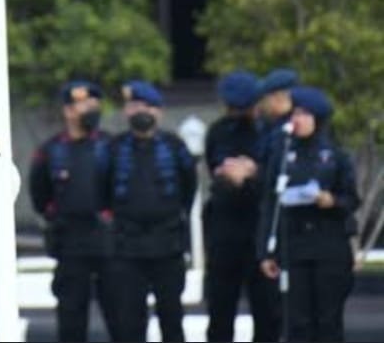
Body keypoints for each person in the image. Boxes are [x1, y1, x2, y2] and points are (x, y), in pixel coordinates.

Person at [258, 86, 359, 342]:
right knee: (297, 322)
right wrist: (266, 251)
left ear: (317, 118)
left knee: (328, 321)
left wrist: (332, 200)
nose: (297, 120)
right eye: (295, 113)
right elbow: (270, 204)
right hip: (294, 246)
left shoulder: (335, 156)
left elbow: (351, 198)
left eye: (304, 114)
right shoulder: (283, 155)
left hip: (329, 245)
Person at [101, 80, 196, 343]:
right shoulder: (113, 149)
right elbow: (102, 189)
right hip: (127, 248)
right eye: (134, 105)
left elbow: (189, 188)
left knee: (172, 319)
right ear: (126, 111)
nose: (141, 111)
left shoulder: (175, 147)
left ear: (159, 112)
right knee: (130, 322)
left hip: (168, 246)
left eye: (148, 106)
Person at [28, 79, 115, 343]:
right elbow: (40, 196)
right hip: (70, 245)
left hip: (110, 244)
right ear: (68, 110)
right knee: (71, 320)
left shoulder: (111, 146)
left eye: (94, 104)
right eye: (84, 104)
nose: (91, 109)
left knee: (121, 318)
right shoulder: (51, 151)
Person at [202, 71, 280, 343]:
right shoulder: (219, 131)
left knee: (267, 311)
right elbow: (214, 166)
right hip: (224, 229)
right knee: (220, 309)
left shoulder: (269, 132)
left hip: (258, 227)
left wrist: (252, 174)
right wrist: (230, 174)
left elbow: (274, 176)